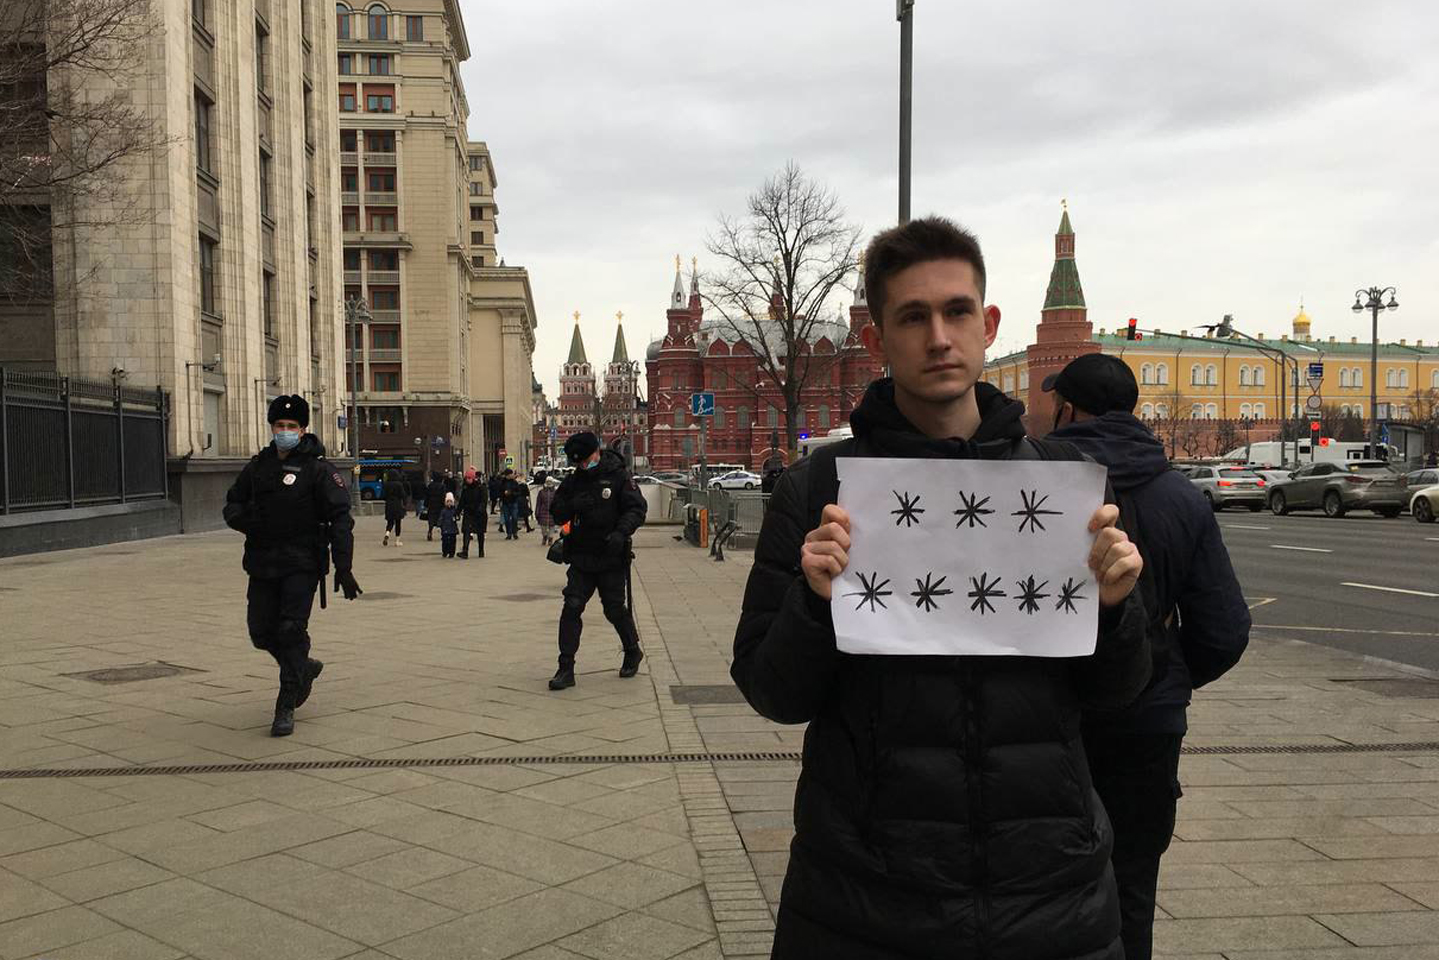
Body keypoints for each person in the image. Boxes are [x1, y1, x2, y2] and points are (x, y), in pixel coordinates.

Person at [731, 217, 1149, 959]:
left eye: (957, 312)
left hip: (1047, 891)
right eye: (911, 316)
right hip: (865, 899)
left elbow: (1116, 694)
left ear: (987, 325)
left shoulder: (1063, 487)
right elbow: (774, 694)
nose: (938, 338)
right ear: (876, 340)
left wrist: (1116, 612)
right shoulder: (816, 489)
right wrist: (813, 601)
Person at [1045, 353, 1250, 960]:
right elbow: (1224, 629)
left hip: (1049, 721)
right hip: (1148, 724)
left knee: (1040, 890)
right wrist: (1165, 670)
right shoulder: (1182, 498)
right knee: (1132, 884)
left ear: (1069, 409)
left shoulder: (1040, 490)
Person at [223, 395, 361, 737]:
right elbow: (232, 505)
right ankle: (304, 666)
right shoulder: (258, 467)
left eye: (291, 427)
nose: (284, 431)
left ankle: (286, 704)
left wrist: (343, 567)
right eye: (279, 426)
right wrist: (248, 521)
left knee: (289, 630)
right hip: (262, 561)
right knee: (261, 633)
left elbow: (341, 519)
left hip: (302, 562)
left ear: (302, 430)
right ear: (272, 428)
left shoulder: (318, 470)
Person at [548, 431, 648, 690]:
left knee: (614, 608)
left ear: (596, 452)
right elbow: (557, 513)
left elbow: (636, 508)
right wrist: (572, 505)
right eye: (577, 463)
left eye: (585, 460)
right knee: (572, 606)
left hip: (610, 555)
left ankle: (631, 649)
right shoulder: (573, 481)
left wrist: (621, 532)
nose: (582, 465)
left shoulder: (617, 476)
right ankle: (565, 667)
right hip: (581, 555)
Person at [458, 465, 487, 558]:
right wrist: (457, 512)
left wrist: (480, 509)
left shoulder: (481, 488)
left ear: (474, 478)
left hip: (479, 514)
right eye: (467, 478)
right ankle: (465, 551)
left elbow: (484, 500)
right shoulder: (465, 489)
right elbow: (462, 501)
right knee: (466, 531)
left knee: (480, 533)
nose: (468, 480)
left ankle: (481, 550)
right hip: (468, 513)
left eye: (470, 478)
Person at [381, 469, 407, 546]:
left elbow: (382, 496)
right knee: (398, 523)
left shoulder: (386, 484)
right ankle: (397, 541)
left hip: (389, 504)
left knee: (390, 522)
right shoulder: (399, 484)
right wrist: (404, 503)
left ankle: (387, 534)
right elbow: (403, 495)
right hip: (397, 504)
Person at [499, 468, 524, 540]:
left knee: (514, 518)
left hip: (513, 502)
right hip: (505, 503)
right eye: (510, 474)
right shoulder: (502, 483)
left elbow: (518, 492)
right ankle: (509, 534)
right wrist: (503, 494)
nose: (512, 475)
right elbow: (499, 492)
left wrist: (512, 493)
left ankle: (515, 533)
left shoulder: (514, 482)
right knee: (507, 519)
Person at [535, 476, 558, 545]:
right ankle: (545, 536)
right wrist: (537, 512)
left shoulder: (555, 492)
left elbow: (558, 502)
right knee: (543, 527)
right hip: (543, 511)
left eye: (550, 481)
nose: (549, 483)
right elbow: (538, 503)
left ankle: (550, 538)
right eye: (548, 481)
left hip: (552, 512)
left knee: (552, 526)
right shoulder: (541, 492)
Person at [424, 471, 447, 541]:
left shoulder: (430, 485)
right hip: (440, 505)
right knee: (441, 519)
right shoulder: (442, 486)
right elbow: (444, 495)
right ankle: (443, 533)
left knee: (431, 518)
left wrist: (426, 504)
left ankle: (430, 531)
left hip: (432, 504)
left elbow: (427, 495)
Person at [438, 492, 459, 558]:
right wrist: (439, 525)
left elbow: (458, 517)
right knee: (445, 541)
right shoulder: (443, 510)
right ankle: (445, 551)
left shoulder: (454, 510)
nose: (449, 503)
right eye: (448, 501)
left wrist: (456, 518)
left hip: (453, 528)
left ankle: (452, 552)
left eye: (450, 501)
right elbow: (441, 518)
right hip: (445, 528)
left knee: (453, 541)